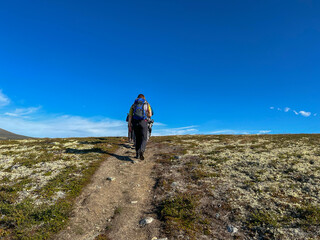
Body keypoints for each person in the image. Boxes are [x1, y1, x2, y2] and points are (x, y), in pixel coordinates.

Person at [128, 94, 153, 160]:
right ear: (144, 98)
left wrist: (129, 125)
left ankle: (137, 154)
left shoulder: (133, 105)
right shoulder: (147, 104)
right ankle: (142, 150)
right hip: (143, 122)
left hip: (135, 123)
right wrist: (146, 114)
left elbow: (130, 116)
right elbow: (150, 115)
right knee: (144, 137)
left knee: (137, 139)